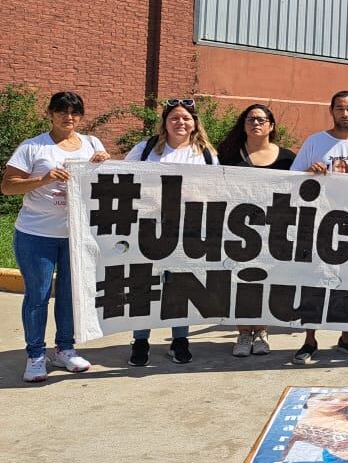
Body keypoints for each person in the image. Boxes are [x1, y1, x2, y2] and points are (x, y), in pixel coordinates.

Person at [2, 91, 110, 383]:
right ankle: (36, 354)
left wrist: (104, 163)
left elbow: (105, 184)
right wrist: (44, 179)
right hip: (37, 234)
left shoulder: (91, 144)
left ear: (82, 116)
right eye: (62, 111)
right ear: (49, 113)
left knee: (70, 295)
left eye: (75, 112)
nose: (69, 117)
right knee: (37, 296)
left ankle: (66, 348)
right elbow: (8, 187)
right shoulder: (33, 147)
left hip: (76, 235)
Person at [289, 91, 348, 364]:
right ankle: (309, 340)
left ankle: (346, 337)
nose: (345, 113)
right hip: (319, 224)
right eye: (340, 108)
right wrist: (309, 171)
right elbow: (293, 179)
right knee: (315, 283)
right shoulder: (315, 142)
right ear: (331, 111)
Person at [124, 99, 219, 366]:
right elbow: (122, 177)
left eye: (186, 118)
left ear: (195, 123)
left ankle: (179, 340)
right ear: (165, 122)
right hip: (148, 226)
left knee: (181, 286)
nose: (181, 122)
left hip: (187, 229)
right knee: (143, 284)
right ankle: (140, 340)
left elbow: (218, 189)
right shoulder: (145, 149)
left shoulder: (205, 154)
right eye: (174, 118)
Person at [217, 103, 297, 357]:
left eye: (262, 120)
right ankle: (243, 333)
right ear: (244, 125)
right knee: (239, 283)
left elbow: (299, 190)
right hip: (237, 230)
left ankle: (261, 332)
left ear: (271, 126)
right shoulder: (228, 154)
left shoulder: (287, 158)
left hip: (274, 231)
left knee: (267, 282)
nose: (256, 123)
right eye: (251, 119)